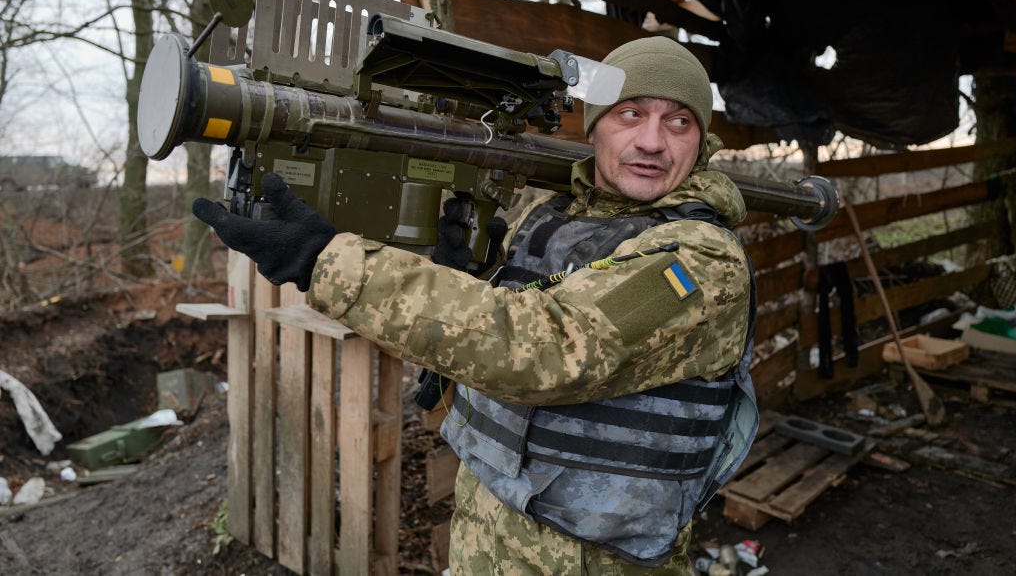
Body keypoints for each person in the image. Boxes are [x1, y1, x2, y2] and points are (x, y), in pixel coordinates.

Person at [193, 36, 758, 574]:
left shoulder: (703, 260)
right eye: (630, 114)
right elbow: (490, 329)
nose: (653, 141)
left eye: (678, 122)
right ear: (595, 131)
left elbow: (550, 348)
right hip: (488, 536)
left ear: (700, 143)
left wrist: (325, 261)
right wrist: (467, 277)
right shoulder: (553, 219)